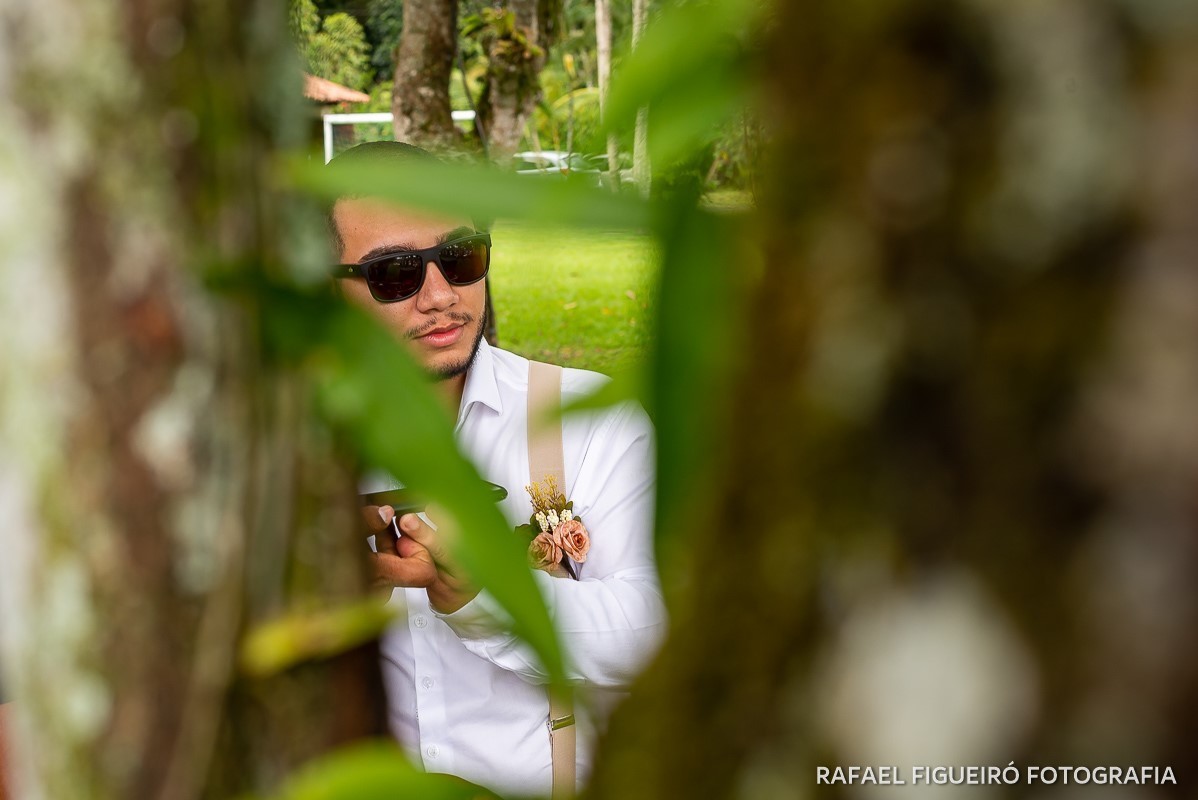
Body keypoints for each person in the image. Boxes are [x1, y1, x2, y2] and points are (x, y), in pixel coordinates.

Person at [326, 141, 666, 797]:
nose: (438, 296)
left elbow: (654, 631)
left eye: (460, 259)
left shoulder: (587, 420)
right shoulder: (291, 447)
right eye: (393, 273)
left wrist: (485, 596)